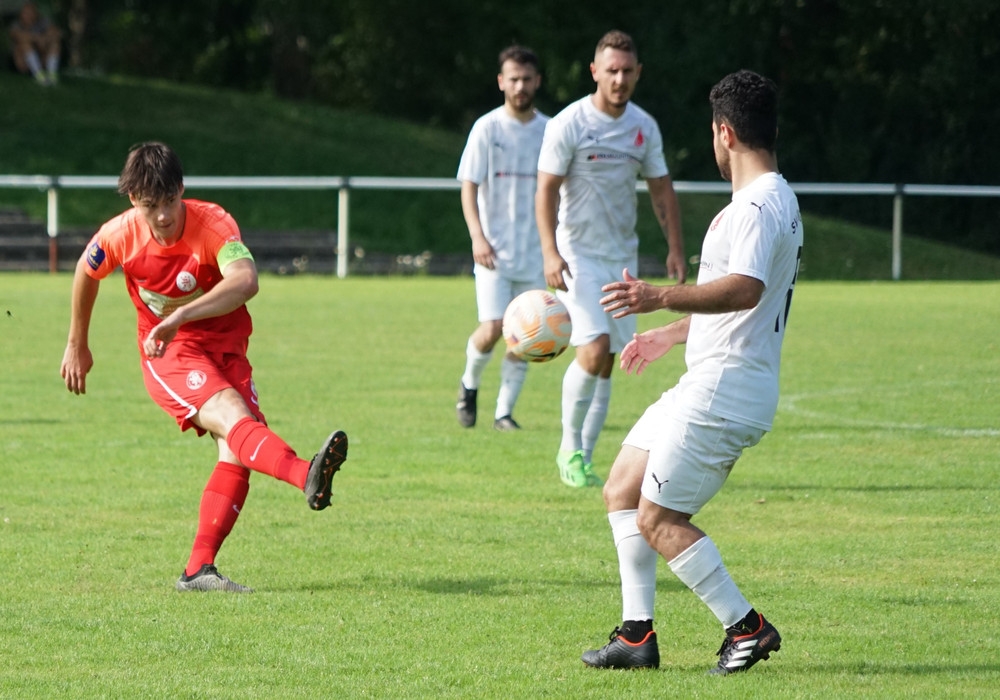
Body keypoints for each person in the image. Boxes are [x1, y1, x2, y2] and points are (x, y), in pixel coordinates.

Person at [581, 69, 802, 675]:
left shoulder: (756, 205)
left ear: (724, 132)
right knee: (622, 488)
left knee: (658, 519)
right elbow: (745, 303)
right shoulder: (775, 197)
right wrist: (672, 332)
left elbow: (745, 289)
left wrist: (659, 297)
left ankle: (746, 628)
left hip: (724, 389)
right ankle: (635, 637)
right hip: (711, 378)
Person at [60, 142, 348, 593]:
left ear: (182, 189)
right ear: (134, 200)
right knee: (235, 418)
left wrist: (180, 315)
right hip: (168, 351)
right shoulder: (120, 235)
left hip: (225, 347)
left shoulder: (212, 225)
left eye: (169, 201)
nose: (162, 216)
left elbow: (246, 280)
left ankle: (198, 570)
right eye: (149, 205)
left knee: (238, 448)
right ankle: (304, 474)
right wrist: (77, 343)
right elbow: (85, 270)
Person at [535, 30, 685, 488]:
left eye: (627, 71)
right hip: (578, 255)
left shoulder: (644, 126)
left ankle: (584, 456)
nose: (619, 79)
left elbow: (661, 189)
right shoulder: (569, 123)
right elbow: (546, 188)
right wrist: (549, 251)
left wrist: (676, 248)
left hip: (622, 259)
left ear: (638, 73)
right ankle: (567, 448)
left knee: (607, 361)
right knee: (593, 347)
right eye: (611, 71)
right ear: (594, 72)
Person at [455, 45, 549, 432]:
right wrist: (477, 236)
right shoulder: (487, 128)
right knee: (493, 327)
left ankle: (503, 413)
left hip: (535, 253)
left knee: (524, 336)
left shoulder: (550, 130)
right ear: (501, 82)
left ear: (537, 81)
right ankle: (469, 385)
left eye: (526, 79)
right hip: (493, 251)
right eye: (513, 79)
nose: (520, 86)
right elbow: (468, 185)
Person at [8, 1, 61, 86]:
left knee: (54, 44)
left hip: (41, 55)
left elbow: (55, 33)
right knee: (25, 44)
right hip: (22, 61)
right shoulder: (16, 25)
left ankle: (52, 75)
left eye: (31, 12)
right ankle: (39, 75)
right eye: (26, 13)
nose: (28, 15)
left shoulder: (43, 22)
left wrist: (45, 40)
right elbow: (19, 35)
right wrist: (37, 39)